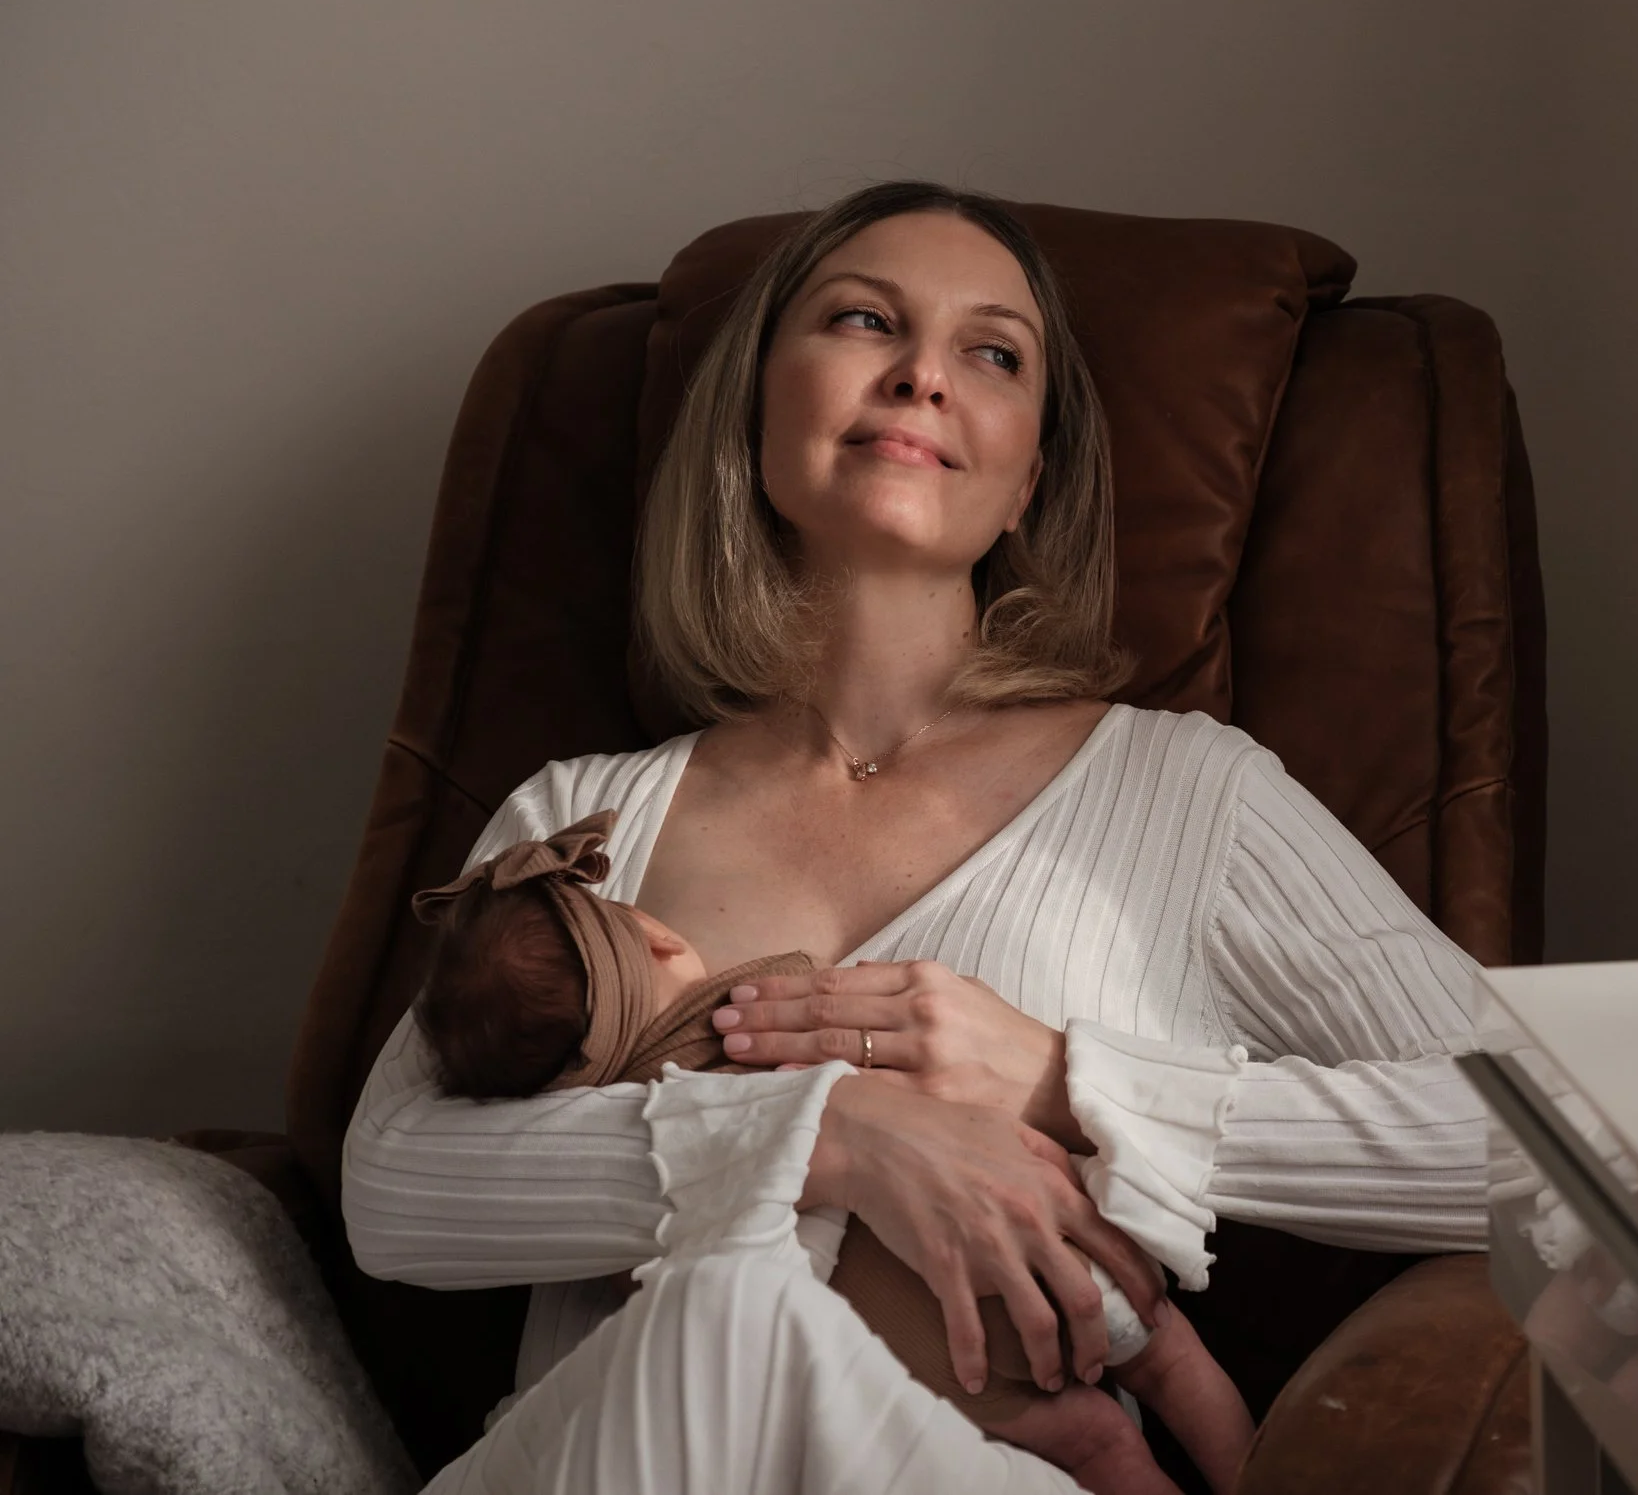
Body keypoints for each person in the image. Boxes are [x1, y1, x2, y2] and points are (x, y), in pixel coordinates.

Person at [343, 180, 1489, 1491]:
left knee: (732, 1316)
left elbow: (1578, 1148)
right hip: (619, 1450)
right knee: (719, 1318)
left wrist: (1070, 1081)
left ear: (1028, 478)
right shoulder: (579, 820)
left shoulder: (1191, 792)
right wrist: (832, 1130)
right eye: (863, 318)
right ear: (756, 409)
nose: (923, 374)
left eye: (993, 353)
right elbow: (393, 1184)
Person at [410, 808, 1251, 1495]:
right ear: (660, 938)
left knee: (1099, 1440)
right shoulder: (764, 1005)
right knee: (1169, 1357)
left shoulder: (628, 1146)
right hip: (1043, 1250)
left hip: (929, 1365)